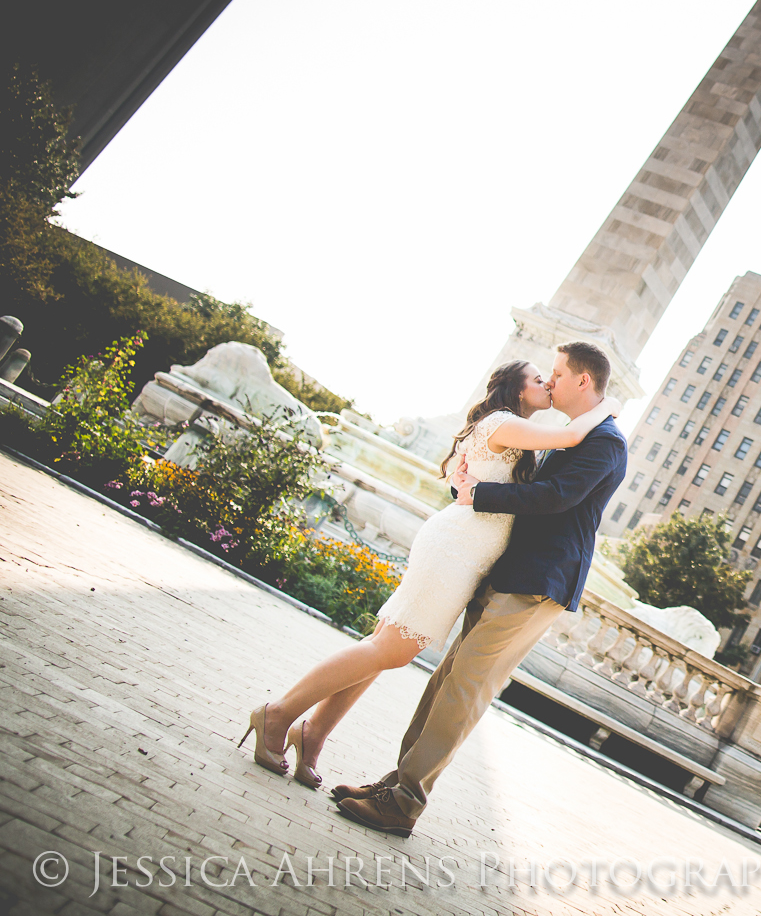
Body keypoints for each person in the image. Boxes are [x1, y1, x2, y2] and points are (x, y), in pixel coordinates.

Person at [236, 356, 620, 787]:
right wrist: (608, 406)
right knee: (393, 650)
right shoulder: (505, 423)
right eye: (538, 378)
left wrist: (472, 484)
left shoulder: (521, 432)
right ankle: (279, 713)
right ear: (515, 389)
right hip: (455, 549)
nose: (548, 382)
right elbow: (570, 437)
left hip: (469, 551)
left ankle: (313, 735)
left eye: (553, 376)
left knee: (384, 647)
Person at [330, 339, 628, 835]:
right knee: (447, 680)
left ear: (582, 380)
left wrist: (478, 494)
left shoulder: (607, 442)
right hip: (510, 572)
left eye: (556, 374)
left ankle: (404, 803)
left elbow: (557, 497)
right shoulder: (575, 432)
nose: (550, 382)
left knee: (465, 688)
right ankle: (395, 785)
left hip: (539, 581)